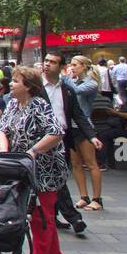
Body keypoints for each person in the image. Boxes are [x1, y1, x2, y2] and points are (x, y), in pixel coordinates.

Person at [0, 66, 68, 254]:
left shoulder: (39, 105)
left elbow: (56, 132)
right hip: (20, 168)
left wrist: (33, 151)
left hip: (44, 171)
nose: (11, 84)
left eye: (16, 81)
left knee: (40, 218)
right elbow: (2, 130)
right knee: (43, 217)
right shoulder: (12, 104)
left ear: (28, 86)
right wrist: (4, 153)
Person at [40, 52, 94, 232]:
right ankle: (74, 218)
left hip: (62, 139)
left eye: (52, 62)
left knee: (58, 178)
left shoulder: (68, 90)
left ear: (61, 67)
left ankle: (53, 216)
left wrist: (91, 136)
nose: (47, 64)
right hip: (42, 140)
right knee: (58, 179)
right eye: (46, 61)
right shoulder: (35, 87)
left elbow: (78, 115)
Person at [64, 56, 106, 213]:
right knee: (76, 164)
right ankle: (84, 196)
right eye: (71, 64)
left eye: (75, 65)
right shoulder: (73, 81)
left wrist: (65, 78)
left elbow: (75, 91)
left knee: (91, 163)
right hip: (72, 127)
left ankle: (97, 198)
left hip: (84, 127)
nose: (72, 67)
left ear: (84, 66)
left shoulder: (91, 84)